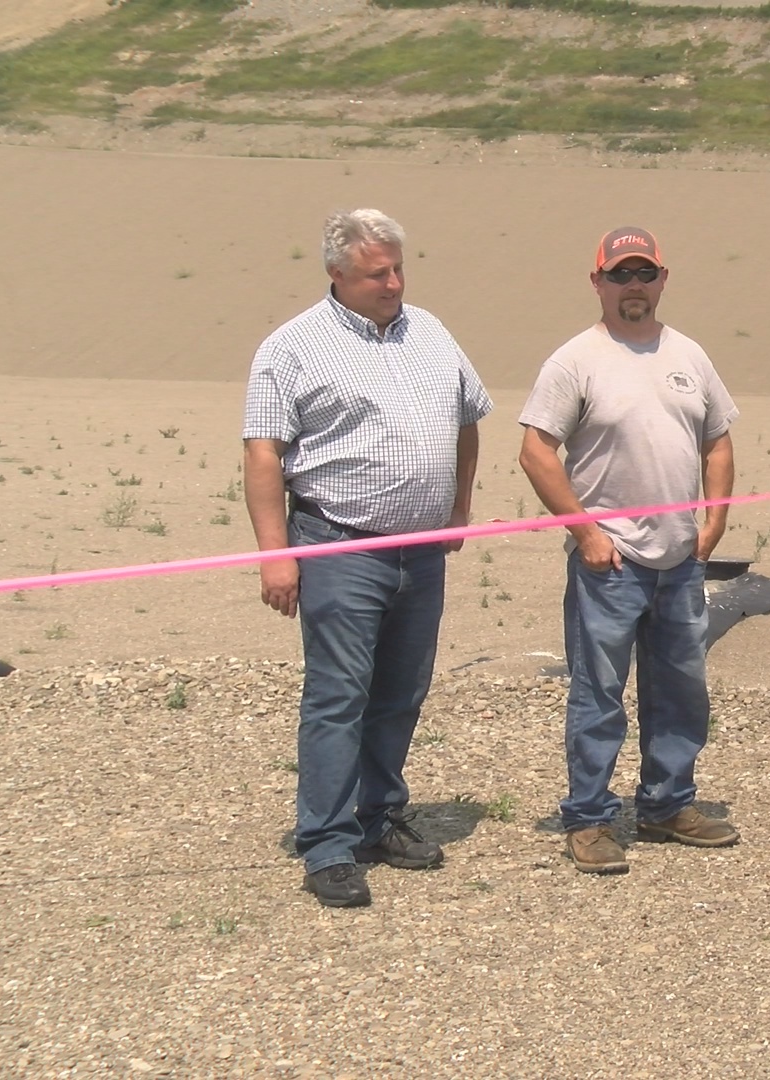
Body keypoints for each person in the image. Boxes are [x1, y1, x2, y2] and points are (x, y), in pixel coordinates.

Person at [242, 208, 492, 908]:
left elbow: (467, 421)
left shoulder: (431, 332)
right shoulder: (291, 348)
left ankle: (379, 817)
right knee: (339, 696)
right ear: (337, 274)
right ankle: (326, 843)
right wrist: (275, 556)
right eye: (377, 273)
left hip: (422, 550)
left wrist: (458, 507)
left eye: (399, 269)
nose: (394, 283)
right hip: (339, 545)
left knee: (401, 691)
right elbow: (263, 454)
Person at [519, 227, 739, 875]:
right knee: (599, 695)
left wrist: (714, 522)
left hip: (680, 563)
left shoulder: (689, 355)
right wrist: (587, 533)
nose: (633, 285)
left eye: (644, 273)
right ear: (598, 283)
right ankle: (588, 819)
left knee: (681, 691)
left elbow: (718, 442)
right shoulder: (575, 360)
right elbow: (536, 451)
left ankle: (667, 804)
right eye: (620, 274)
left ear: (663, 279)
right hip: (609, 566)